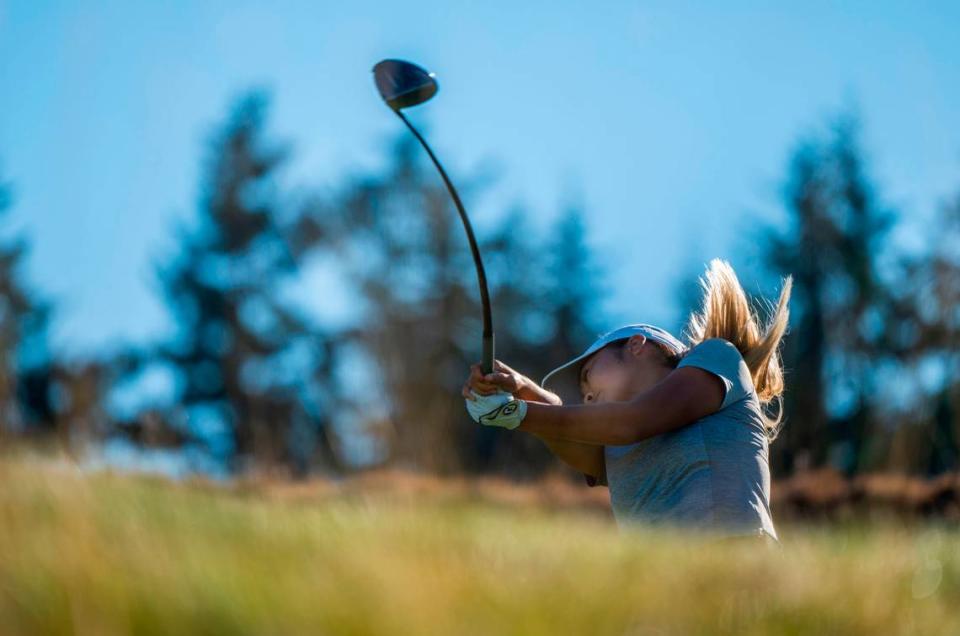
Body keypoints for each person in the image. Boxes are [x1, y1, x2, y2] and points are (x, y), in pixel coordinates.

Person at [462, 258, 791, 545]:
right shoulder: (614, 444)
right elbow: (568, 427)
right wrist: (518, 389)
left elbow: (633, 420)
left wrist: (517, 413)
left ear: (636, 345)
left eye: (588, 375)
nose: (587, 396)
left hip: (736, 559)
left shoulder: (716, 356)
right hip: (661, 589)